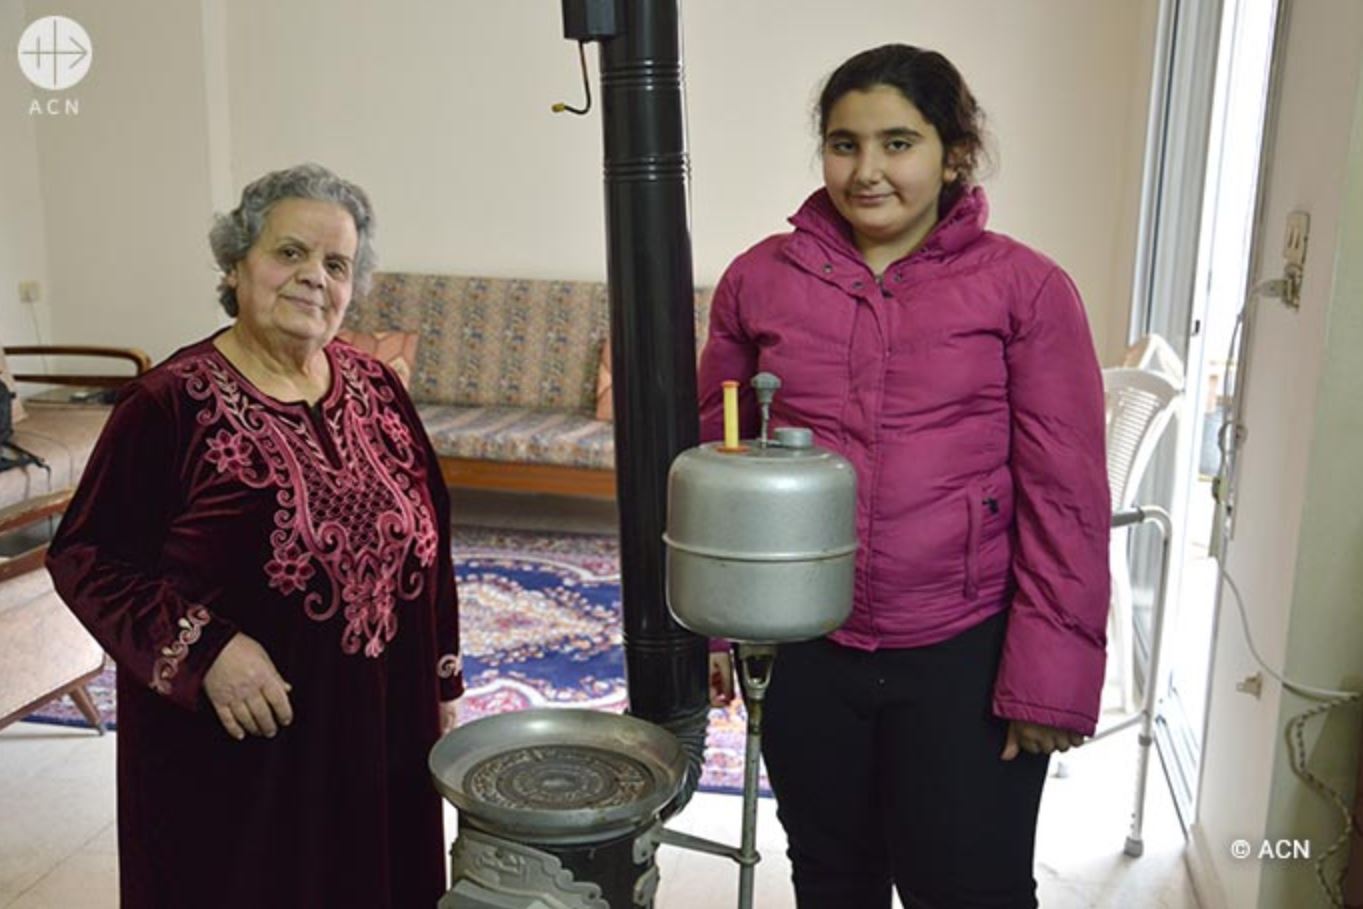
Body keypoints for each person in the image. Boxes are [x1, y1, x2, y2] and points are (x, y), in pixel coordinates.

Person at [699, 45, 1110, 908]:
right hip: (807, 647)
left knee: (970, 887)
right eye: (843, 144)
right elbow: (712, 462)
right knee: (830, 878)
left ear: (953, 154)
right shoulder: (759, 280)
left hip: (966, 651)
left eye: (897, 143)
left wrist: (1047, 681)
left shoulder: (1025, 289)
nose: (866, 170)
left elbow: (1065, 497)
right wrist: (712, 627)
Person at [47, 163, 463, 908]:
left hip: (381, 733)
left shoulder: (378, 388)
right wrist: (205, 650)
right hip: (240, 763)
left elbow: (433, 534)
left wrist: (440, 683)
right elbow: (87, 556)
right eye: (289, 252)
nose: (314, 278)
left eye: (336, 264)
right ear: (236, 264)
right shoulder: (168, 405)